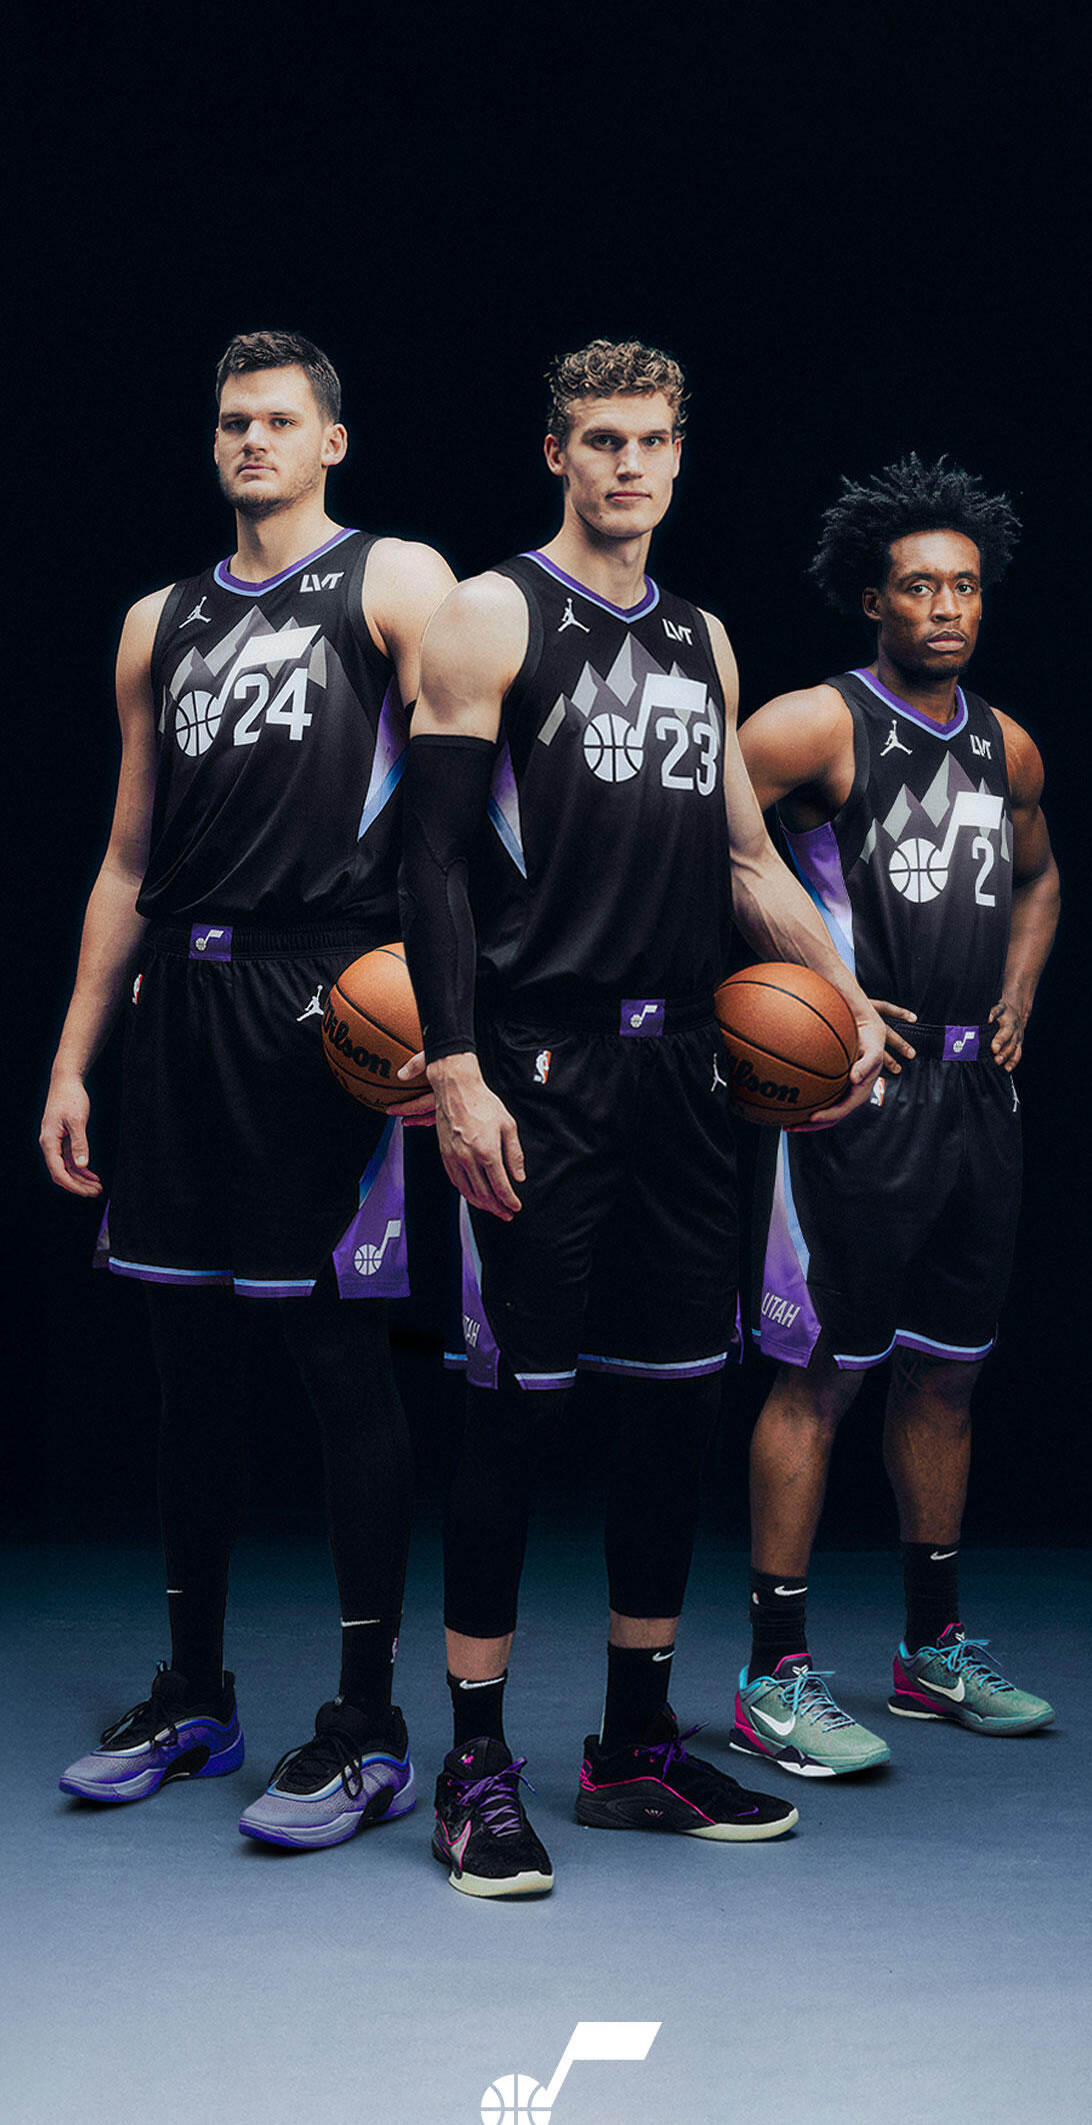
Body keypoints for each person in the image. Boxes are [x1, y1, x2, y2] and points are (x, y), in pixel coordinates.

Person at [399, 338, 883, 1895]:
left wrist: (842, 995)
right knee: (513, 1411)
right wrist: (457, 1068)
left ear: (679, 455)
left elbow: (744, 860)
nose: (628, 465)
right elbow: (428, 861)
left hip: (686, 1073)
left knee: (673, 1404)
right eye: (600, 440)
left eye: (652, 441)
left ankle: (629, 1749)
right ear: (556, 452)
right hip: (540, 1067)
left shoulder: (700, 638)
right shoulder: (492, 613)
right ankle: (474, 1765)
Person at [41, 330, 455, 1848]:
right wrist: (72, 1060)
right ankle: (195, 1694)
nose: (251, 441)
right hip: (182, 1007)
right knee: (188, 1368)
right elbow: (126, 858)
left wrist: (450, 1027)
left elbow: (474, 808)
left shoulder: (395, 580)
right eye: (232, 421)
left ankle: (367, 1723)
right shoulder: (159, 622)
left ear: (331, 439)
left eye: (280, 419)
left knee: (341, 1364)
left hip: (332, 1008)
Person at [729, 456, 1059, 1780]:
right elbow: (707, 842)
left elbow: (1039, 878)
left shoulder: (1006, 744)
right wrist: (811, 983)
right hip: (851, 1095)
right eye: (918, 587)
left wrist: (1019, 990)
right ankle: (774, 1670)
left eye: (963, 587)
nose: (945, 608)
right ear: (872, 598)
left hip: (977, 1096)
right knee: (821, 1375)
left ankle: (932, 1650)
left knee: (947, 1370)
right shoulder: (814, 725)